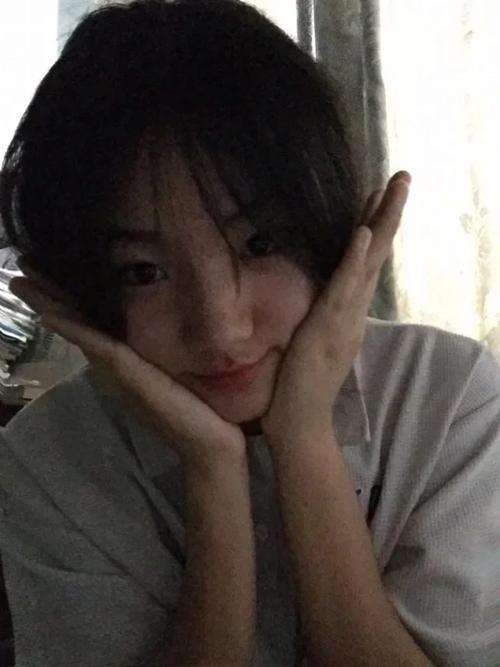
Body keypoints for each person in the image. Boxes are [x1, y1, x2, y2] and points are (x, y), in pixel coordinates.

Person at [0, 1, 499, 665]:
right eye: (143, 271)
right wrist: (213, 474)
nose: (221, 327)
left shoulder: (447, 397)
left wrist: (304, 437)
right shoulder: (52, 458)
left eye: (259, 244)